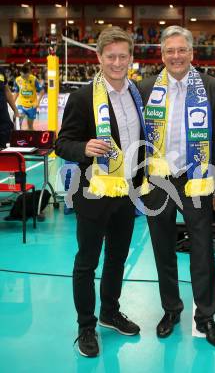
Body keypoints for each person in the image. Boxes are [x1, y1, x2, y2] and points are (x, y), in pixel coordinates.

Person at [55, 27, 147, 358]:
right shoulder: (82, 98)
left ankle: (109, 312)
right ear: (99, 57)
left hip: (125, 193)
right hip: (93, 193)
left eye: (123, 56)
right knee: (87, 262)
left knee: (117, 258)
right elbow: (61, 143)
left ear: (131, 57)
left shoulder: (137, 94)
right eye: (111, 57)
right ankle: (85, 325)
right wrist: (84, 147)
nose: (118, 63)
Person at [138, 25, 215, 348]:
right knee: (163, 249)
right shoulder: (146, 88)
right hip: (158, 180)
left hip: (198, 178)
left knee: (202, 250)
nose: (176, 56)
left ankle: (206, 315)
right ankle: (171, 309)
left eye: (181, 50)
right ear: (161, 55)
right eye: (169, 51)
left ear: (192, 53)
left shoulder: (211, 86)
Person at [13, 61, 44, 130]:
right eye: (23, 76)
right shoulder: (17, 80)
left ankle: (31, 139)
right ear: (21, 72)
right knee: (17, 124)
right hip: (21, 104)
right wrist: (12, 103)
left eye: (26, 76)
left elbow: (42, 91)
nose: (24, 77)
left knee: (30, 127)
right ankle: (18, 137)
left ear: (29, 73)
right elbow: (16, 92)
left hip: (32, 105)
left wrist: (38, 102)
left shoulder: (34, 79)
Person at [0, 67, 19, 148]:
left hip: (3, 117)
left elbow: (7, 91)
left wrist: (15, 110)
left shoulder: (1, 70)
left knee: (5, 142)